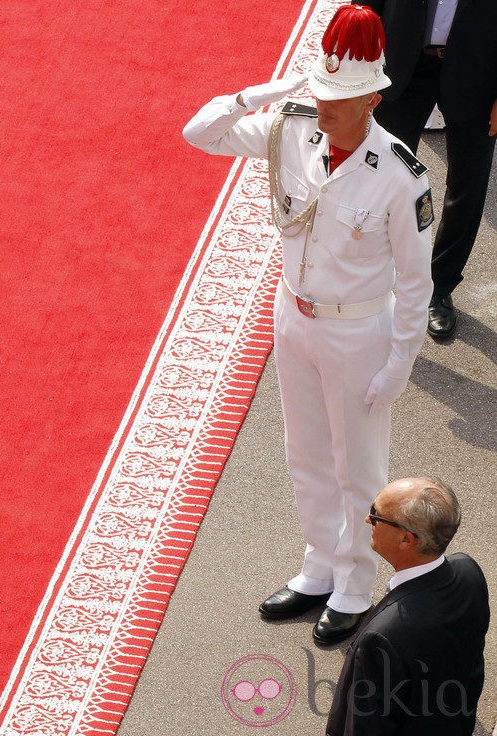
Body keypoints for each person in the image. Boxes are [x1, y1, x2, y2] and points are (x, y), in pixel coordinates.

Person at [182, 6, 433, 645]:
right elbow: (199, 133)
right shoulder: (293, 128)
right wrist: (252, 95)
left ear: (375, 96)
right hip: (292, 315)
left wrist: (400, 361)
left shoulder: (401, 177)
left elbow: (415, 282)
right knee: (307, 454)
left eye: (339, 96)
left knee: (358, 467)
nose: (323, 105)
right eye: (318, 90)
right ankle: (319, 566)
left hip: (357, 333)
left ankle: (353, 585)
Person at [355, 0, 497, 340]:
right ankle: (372, 281)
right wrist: (361, 65)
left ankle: (438, 287)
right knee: (380, 175)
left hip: (478, 72)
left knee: (468, 185)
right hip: (402, 63)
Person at [326, 477, 489, 735]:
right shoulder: (469, 572)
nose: (369, 520)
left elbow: (368, 724)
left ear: (405, 540)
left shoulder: (382, 637)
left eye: (376, 514)